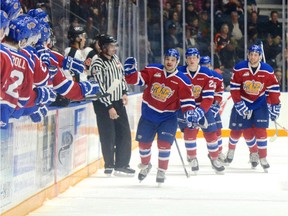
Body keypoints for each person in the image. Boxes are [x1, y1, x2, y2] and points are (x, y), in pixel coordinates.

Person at [123, 48, 196, 184]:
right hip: (148, 115)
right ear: (164, 59)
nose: (169, 62)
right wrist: (130, 72)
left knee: (164, 145)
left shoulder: (183, 80)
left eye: (173, 60)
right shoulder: (153, 70)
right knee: (144, 145)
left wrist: (190, 113)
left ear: (177, 62)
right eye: (167, 59)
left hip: (168, 118)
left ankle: (162, 170)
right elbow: (137, 80)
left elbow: (187, 102)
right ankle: (146, 165)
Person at [228, 44, 281, 172]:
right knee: (246, 131)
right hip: (244, 102)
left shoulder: (267, 70)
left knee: (261, 131)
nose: (253, 57)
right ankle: (253, 153)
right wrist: (238, 103)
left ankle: (263, 157)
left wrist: (275, 105)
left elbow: (273, 88)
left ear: (260, 56)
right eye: (251, 54)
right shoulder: (240, 68)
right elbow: (234, 88)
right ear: (248, 55)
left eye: (255, 55)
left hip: (259, 103)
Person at [89, 34, 135, 176]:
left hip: (118, 101)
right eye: (111, 46)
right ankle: (109, 164)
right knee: (108, 134)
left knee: (125, 133)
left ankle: (122, 164)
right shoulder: (97, 63)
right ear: (103, 47)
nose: (114, 48)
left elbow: (121, 76)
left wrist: (125, 92)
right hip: (103, 104)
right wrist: (109, 106)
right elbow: (99, 86)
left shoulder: (115, 58)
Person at [177, 48, 225, 174]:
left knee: (211, 134)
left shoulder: (207, 73)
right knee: (189, 133)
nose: (192, 60)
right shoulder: (179, 72)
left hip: (203, 107)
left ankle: (214, 159)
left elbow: (209, 97)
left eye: (194, 57)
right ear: (186, 60)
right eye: (189, 57)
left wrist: (200, 111)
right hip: (185, 107)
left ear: (198, 59)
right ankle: (192, 158)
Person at [199, 56, 225, 162]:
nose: (205, 67)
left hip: (211, 108)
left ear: (210, 65)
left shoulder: (217, 77)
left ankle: (218, 152)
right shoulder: (195, 76)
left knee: (217, 130)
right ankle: (191, 154)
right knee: (191, 132)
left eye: (207, 65)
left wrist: (216, 103)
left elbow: (219, 92)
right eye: (203, 65)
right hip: (198, 108)